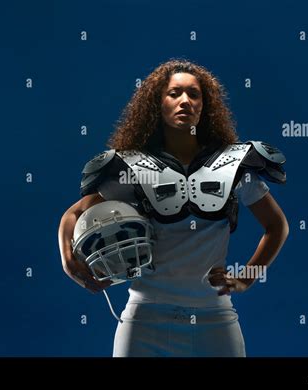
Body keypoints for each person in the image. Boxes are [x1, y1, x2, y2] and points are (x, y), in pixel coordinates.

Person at [58, 59, 289, 357]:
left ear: (205, 105)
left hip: (214, 318)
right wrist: (68, 261)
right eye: (174, 93)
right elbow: (74, 214)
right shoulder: (132, 165)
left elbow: (277, 226)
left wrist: (245, 277)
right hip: (145, 318)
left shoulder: (234, 165)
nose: (185, 101)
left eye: (194, 94)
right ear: (157, 103)